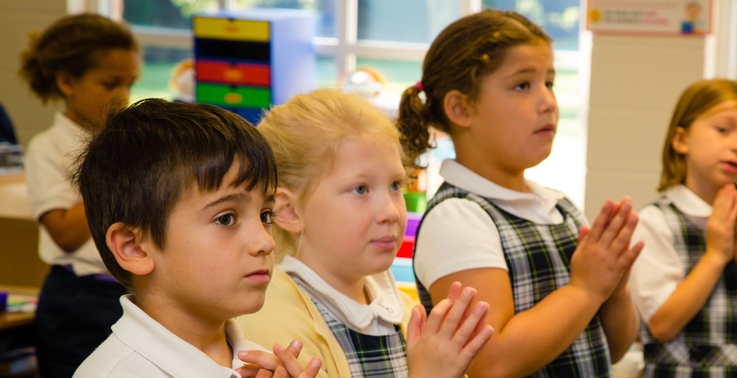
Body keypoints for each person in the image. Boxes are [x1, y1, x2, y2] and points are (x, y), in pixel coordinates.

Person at [398, 9, 644, 377]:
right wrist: (586, 289)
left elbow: (614, 347)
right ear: (461, 108)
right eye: (522, 85)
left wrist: (615, 290)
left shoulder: (559, 206)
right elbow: (491, 361)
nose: (548, 101)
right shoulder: (458, 216)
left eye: (550, 83)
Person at [237, 88, 494, 378]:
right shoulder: (271, 318)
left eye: (395, 185)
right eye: (360, 189)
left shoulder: (400, 310)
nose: (391, 212)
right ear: (288, 211)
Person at [71, 99, 321, 377]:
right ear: (134, 247)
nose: (265, 242)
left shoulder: (256, 362)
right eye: (225, 219)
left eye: (265, 215)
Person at [628, 79, 737, 376]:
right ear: (681, 140)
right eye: (723, 130)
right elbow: (662, 324)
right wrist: (716, 256)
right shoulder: (657, 222)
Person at [18, 14, 139, 377]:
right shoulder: (47, 147)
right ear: (68, 81)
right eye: (110, 84)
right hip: (78, 299)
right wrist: (113, 173)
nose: (123, 97)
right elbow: (64, 232)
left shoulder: (123, 144)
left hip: (127, 292)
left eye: (129, 84)